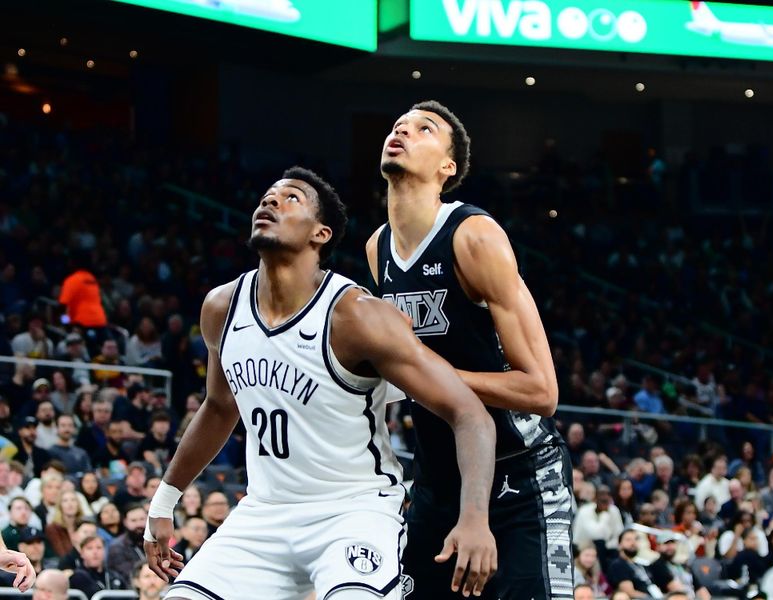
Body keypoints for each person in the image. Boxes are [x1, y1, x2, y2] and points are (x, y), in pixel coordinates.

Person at [145, 166, 497, 599]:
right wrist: (163, 503)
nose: (270, 202)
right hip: (264, 513)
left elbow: (469, 413)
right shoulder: (221, 307)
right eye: (266, 197)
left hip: (352, 511)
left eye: (290, 198)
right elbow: (219, 408)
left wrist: (475, 518)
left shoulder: (356, 317)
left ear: (321, 234)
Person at [366, 100, 572, 598]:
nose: (403, 131)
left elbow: (542, 391)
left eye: (423, 129)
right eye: (398, 126)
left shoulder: (474, 236)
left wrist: (428, 375)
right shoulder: (377, 248)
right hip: (437, 482)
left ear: (447, 167)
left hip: (520, 475)